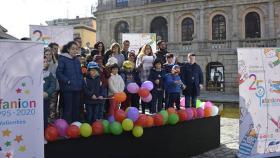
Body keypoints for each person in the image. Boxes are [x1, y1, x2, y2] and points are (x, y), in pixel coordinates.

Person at [56, 41, 84, 123]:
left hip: (77, 88)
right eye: (72, 49)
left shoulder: (77, 60)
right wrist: (67, 81)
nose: (75, 51)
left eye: (76, 49)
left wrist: (81, 82)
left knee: (76, 108)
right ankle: (66, 127)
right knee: (68, 108)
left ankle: (74, 126)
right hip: (68, 89)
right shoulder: (63, 59)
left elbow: (79, 73)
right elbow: (59, 73)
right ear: (68, 49)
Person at [136, 44, 155, 114]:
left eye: (149, 48)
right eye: (146, 48)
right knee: (144, 94)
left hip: (151, 78)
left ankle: (150, 110)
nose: (148, 50)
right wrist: (141, 64)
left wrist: (154, 64)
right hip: (143, 78)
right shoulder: (140, 56)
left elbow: (157, 66)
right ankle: (143, 111)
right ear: (143, 49)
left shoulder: (153, 56)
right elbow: (136, 68)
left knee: (151, 95)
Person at [44, 48, 60, 120]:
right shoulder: (42, 63)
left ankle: (52, 120)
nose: (48, 56)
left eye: (50, 54)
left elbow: (56, 77)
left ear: (52, 55)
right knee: (46, 106)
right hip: (45, 89)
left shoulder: (55, 65)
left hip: (54, 88)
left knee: (52, 106)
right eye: (46, 54)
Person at [43, 56, 56, 128]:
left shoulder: (49, 74)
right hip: (35, 100)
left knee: (45, 114)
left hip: (45, 99)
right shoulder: (34, 74)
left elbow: (53, 85)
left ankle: (44, 130)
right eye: (43, 62)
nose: (45, 63)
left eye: (46, 62)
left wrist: (47, 92)